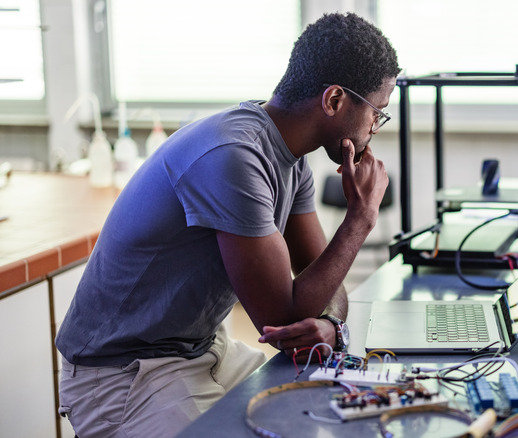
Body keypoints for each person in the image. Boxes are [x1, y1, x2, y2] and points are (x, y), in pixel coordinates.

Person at [55, 11, 400, 438]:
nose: (375, 130)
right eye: (376, 114)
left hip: (201, 350)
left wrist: (331, 324)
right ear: (333, 101)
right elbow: (281, 318)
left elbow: (325, 287)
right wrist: (360, 219)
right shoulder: (236, 155)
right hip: (123, 374)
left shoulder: (291, 160)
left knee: (331, 408)